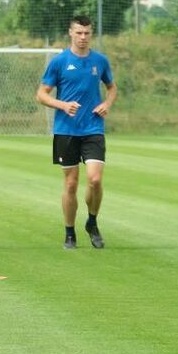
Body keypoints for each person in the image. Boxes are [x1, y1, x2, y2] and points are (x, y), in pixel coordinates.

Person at [36, 15, 117, 250]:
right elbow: (41, 94)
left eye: (87, 33)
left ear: (91, 34)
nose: (83, 37)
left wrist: (107, 104)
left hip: (93, 128)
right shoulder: (59, 62)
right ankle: (69, 233)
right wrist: (63, 105)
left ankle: (92, 222)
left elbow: (112, 88)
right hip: (65, 131)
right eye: (79, 33)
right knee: (71, 184)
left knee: (95, 179)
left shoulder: (100, 61)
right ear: (70, 33)